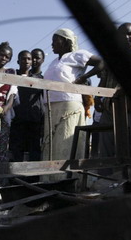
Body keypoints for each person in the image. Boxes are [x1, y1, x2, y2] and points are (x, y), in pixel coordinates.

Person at [43, 28, 104, 181]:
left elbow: (102, 62)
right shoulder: (53, 61)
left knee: (66, 142)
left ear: (65, 42)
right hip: (51, 105)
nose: (52, 44)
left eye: (55, 40)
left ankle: (65, 181)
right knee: (51, 144)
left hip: (69, 103)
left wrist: (83, 78)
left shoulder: (77, 55)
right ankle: (49, 179)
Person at [97, 23, 131, 163]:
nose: (127, 37)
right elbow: (103, 80)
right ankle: (106, 180)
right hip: (110, 105)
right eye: (123, 34)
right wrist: (98, 98)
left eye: (130, 34)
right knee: (106, 145)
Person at [10, 49, 45, 169]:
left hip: (34, 120)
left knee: (34, 151)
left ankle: (32, 179)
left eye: (29, 59)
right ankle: (14, 179)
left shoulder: (38, 78)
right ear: (18, 61)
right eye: (23, 58)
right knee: (16, 150)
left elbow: (43, 100)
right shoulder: (12, 75)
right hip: (17, 119)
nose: (26, 61)